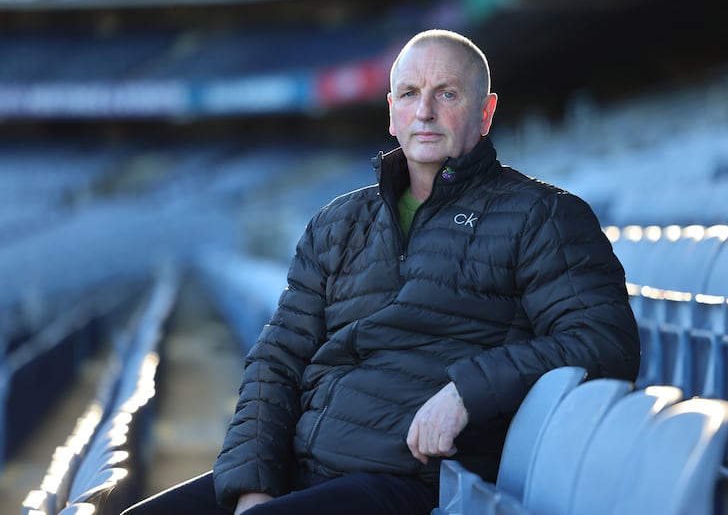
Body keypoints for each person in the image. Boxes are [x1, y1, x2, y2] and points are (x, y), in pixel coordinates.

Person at [122, 28, 639, 515]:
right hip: (302, 466)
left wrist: (468, 390)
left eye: (448, 94)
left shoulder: (543, 215)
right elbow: (277, 358)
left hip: (414, 483)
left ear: (485, 112)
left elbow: (605, 342)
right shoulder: (336, 222)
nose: (427, 112)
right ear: (392, 113)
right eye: (410, 94)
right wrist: (252, 485)